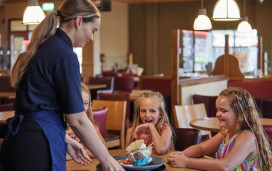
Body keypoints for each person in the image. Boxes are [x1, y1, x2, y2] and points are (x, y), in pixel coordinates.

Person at [0, 0, 124, 170]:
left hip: (21, 142)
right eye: (93, 30)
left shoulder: (43, 47)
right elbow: (78, 119)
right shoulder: (65, 55)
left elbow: (37, 110)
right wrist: (107, 158)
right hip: (39, 148)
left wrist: (65, 139)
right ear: (79, 21)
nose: (91, 37)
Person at [167, 87, 272, 170]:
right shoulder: (226, 132)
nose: (217, 114)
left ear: (239, 113)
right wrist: (180, 155)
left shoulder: (247, 136)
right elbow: (201, 148)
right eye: (217, 109)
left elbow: (226, 166)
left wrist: (186, 162)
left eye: (223, 111)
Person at [66, 82, 107, 159]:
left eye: (85, 103)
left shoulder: (90, 125)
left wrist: (69, 156)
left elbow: (103, 149)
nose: (81, 107)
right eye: (77, 102)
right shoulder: (59, 125)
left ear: (89, 105)